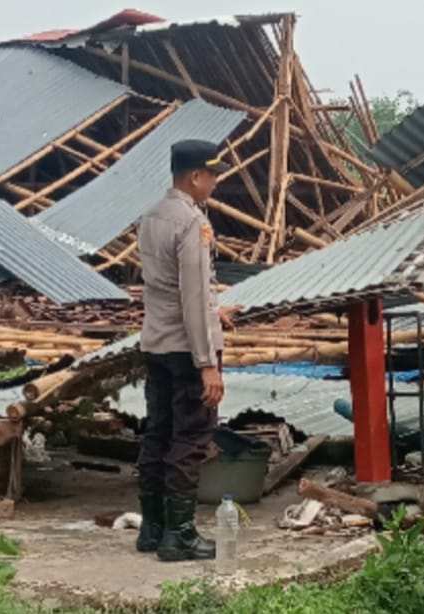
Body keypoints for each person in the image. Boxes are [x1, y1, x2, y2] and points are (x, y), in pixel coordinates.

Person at [135, 139, 239, 561]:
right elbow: (192, 297)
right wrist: (206, 365)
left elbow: (168, 288)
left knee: (157, 432)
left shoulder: (151, 216)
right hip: (186, 347)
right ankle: (179, 535)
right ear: (195, 176)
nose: (214, 183)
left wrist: (217, 311)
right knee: (190, 437)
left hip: (156, 342)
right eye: (212, 175)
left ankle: (152, 527)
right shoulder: (192, 223)